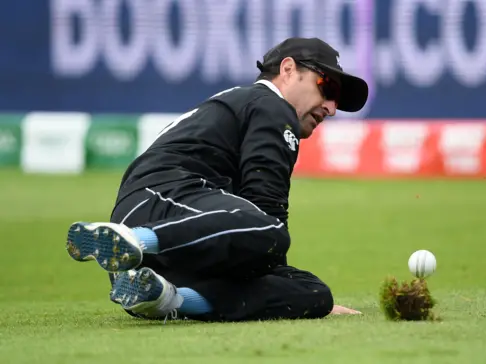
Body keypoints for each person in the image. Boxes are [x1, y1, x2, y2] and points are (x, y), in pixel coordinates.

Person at [65, 37, 368, 322]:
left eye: (337, 101)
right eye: (326, 87)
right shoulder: (272, 105)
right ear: (288, 70)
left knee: (314, 292)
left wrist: (301, 298)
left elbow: (259, 228)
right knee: (270, 234)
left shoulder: (244, 103)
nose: (331, 107)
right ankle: (133, 242)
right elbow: (267, 209)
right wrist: (270, 272)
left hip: (178, 231)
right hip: (164, 202)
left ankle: (165, 297)